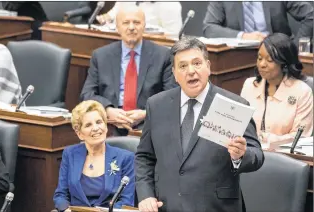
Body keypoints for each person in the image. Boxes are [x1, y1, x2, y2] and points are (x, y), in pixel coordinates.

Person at [135, 37, 264, 212]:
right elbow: (145, 156)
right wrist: (145, 194)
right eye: (183, 66)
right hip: (168, 205)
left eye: (197, 63)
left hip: (216, 207)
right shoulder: (157, 105)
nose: (191, 71)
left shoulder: (233, 104)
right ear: (174, 73)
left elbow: (257, 156)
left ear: (208, 67)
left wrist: (241, 155)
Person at [81, 6, 178, 135]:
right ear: (117, 27)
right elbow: (87, 94)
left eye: (136, 22)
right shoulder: (101, 56)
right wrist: (108, 110)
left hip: (147, 124)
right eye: (126, 23)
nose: (131, 27)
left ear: (144, 26)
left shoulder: (163, 55)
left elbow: (172, 97)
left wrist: (146, 113)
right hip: (109, 123)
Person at [53, 100, 135, 211]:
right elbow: (61, 195)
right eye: (88, 125)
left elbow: (126, 201)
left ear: (106, 126)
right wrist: (66, 209)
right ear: (79, 134)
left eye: (99, 122)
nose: (96, 128)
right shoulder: (70, 154)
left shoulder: (125, 158)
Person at [241, 33, 313, 146]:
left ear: (284, 64)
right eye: (259, 58)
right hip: (251, 155)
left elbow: (301, 138)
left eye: (269, 60)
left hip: (285, 158)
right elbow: (240, 125)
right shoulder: (249, 85)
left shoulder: (302, 92)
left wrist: (266, 139)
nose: (262, 64)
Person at [203, 1, 313, 43]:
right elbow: (209, 27)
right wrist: (243, 36)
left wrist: (296, 47)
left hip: (278, 54)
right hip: (239, 57)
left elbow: (310, 15)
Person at [97, 1, 182, 38]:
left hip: (153, 54)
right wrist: (105, 18)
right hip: (120, 46)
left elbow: (173, 37)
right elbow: (113, 14)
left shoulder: (170, 4)